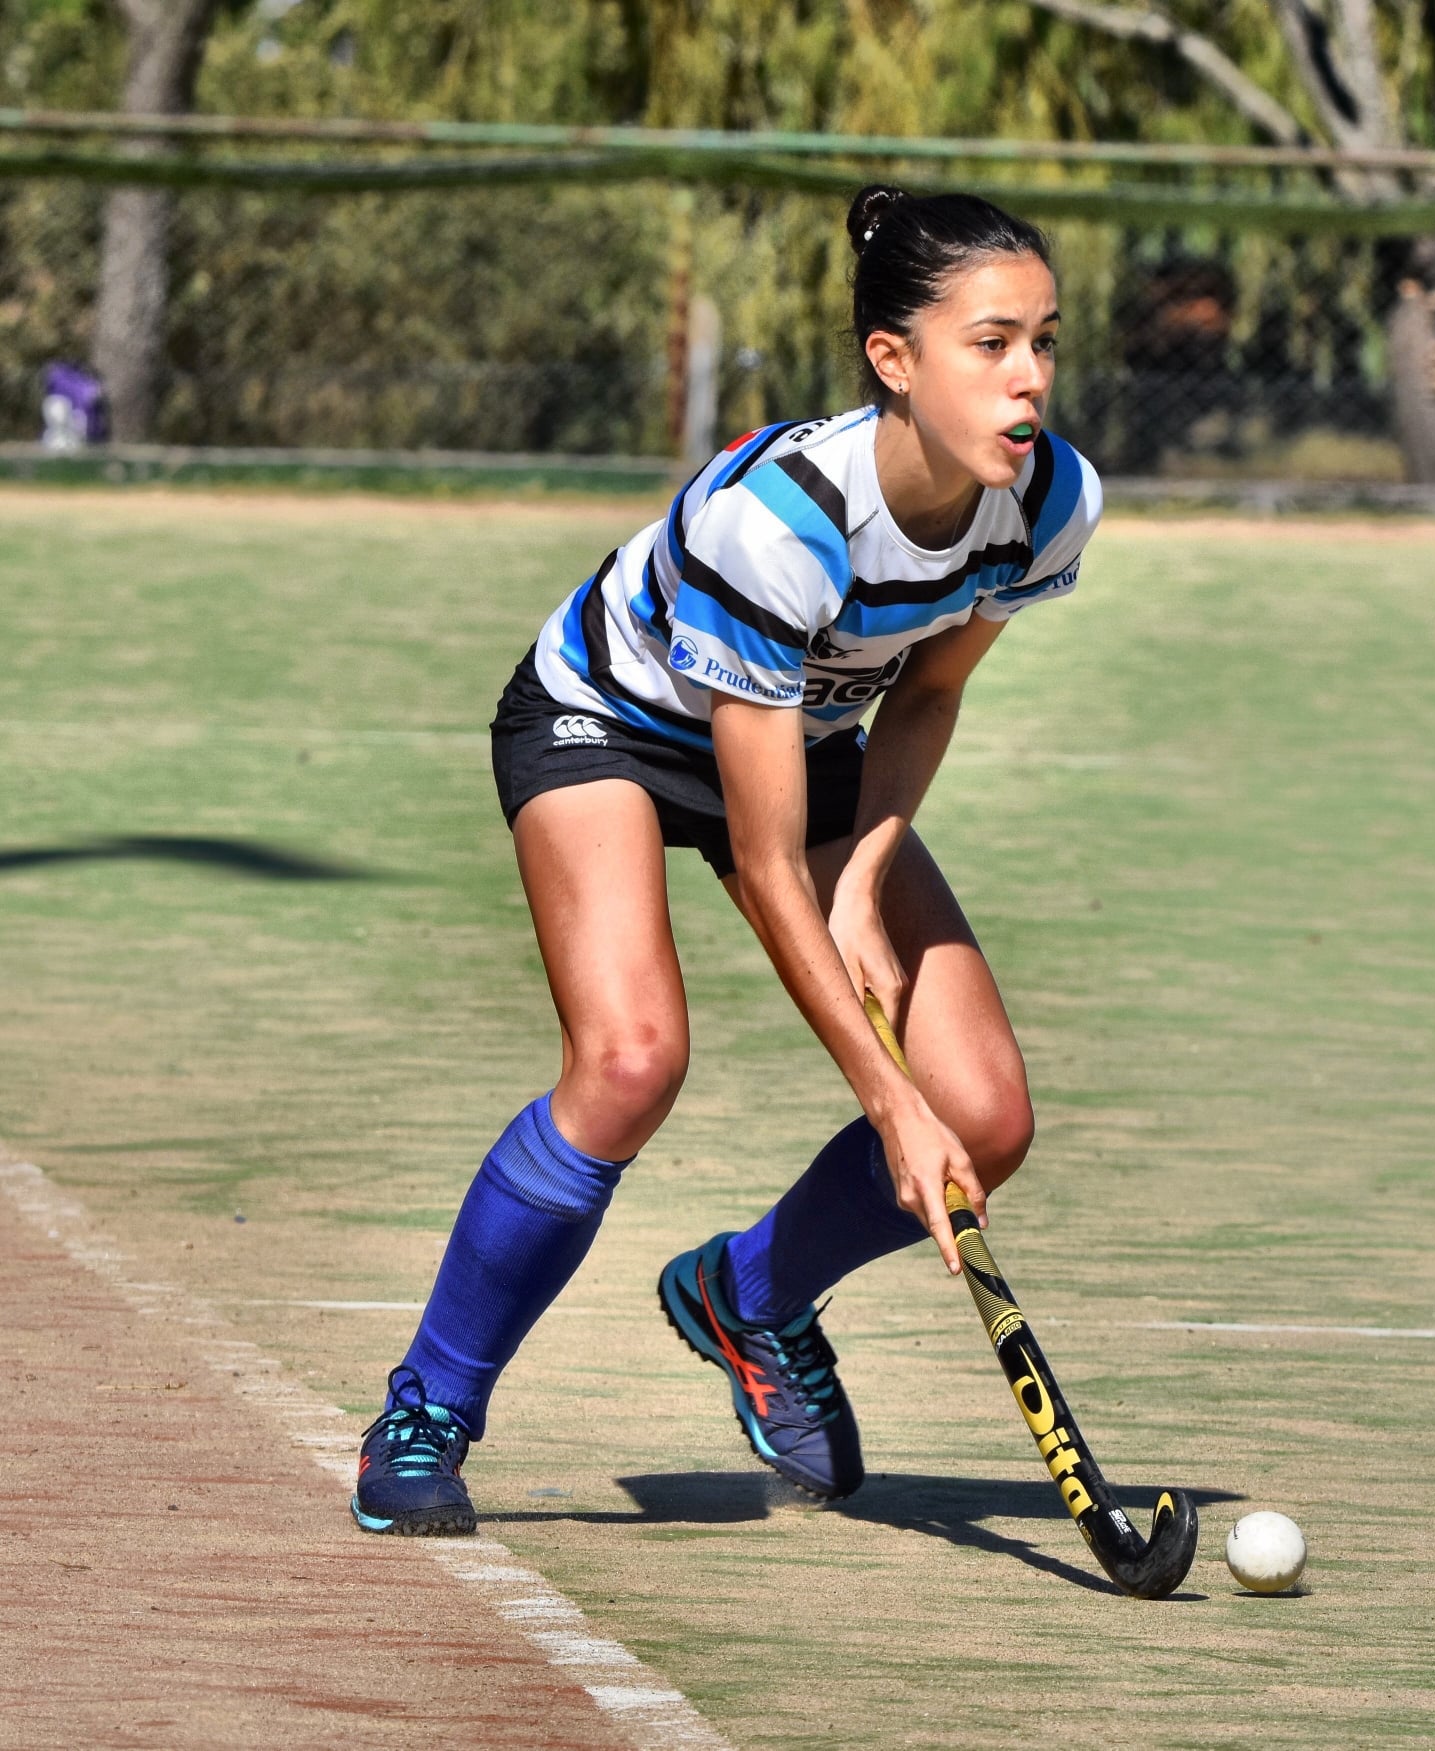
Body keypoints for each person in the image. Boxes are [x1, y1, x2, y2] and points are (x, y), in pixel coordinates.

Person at [350, 183, 1101, 1535]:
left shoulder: (1044, 501)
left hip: (803, 732)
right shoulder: (782, 523)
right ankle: (427, 1411)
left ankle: (744, 1297)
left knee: (983, 1111)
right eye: (992, 344)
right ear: (895, 360)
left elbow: (924, 694)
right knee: (633, 1060)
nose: (1030, 377)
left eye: (1044, 340)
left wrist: (866, 880)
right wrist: (887, 1099)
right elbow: (762, 866)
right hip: (614, 724)